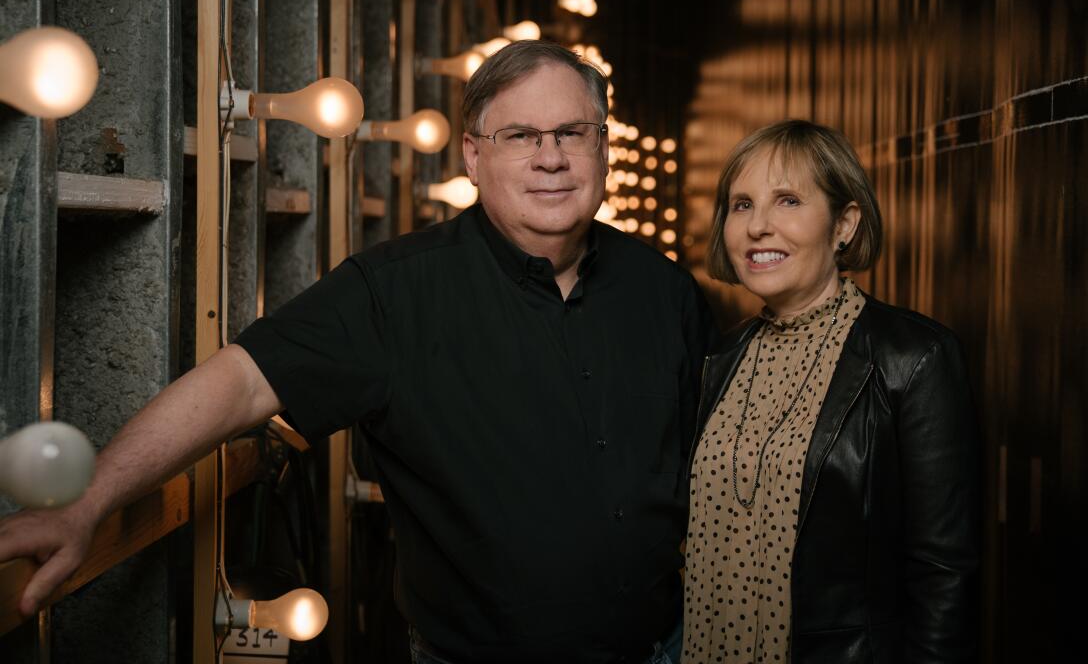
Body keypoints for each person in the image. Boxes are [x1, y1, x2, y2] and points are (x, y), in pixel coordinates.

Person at [0, 41, 712, 664]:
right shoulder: (392, 292)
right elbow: (239, 386)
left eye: (572, 133)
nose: (551, 157)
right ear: (472, 153)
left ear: (603, 147)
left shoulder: (667, 292)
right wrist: (88, 499)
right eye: (521, 135)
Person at [683, 120, 978, 663]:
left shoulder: (913, 358)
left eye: (788, 200)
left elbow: (944, 572)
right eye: (742, 205)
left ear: (844, 224)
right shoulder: (719, 358)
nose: (758, 227)